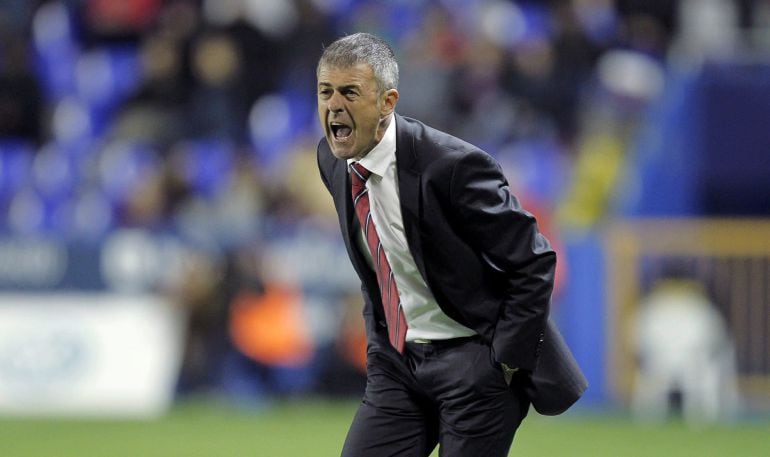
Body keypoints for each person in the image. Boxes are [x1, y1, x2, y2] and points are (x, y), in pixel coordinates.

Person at [315, 33, 585, 457]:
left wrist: (503, 362)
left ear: (388, 102)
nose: (334, 105)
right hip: (399, 367)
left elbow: (534, 262)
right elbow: (379, 267)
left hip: (474, 363)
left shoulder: (452, 166)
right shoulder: (332, 160)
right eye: (325, 91)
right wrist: (380, 349)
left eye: (350, 92)